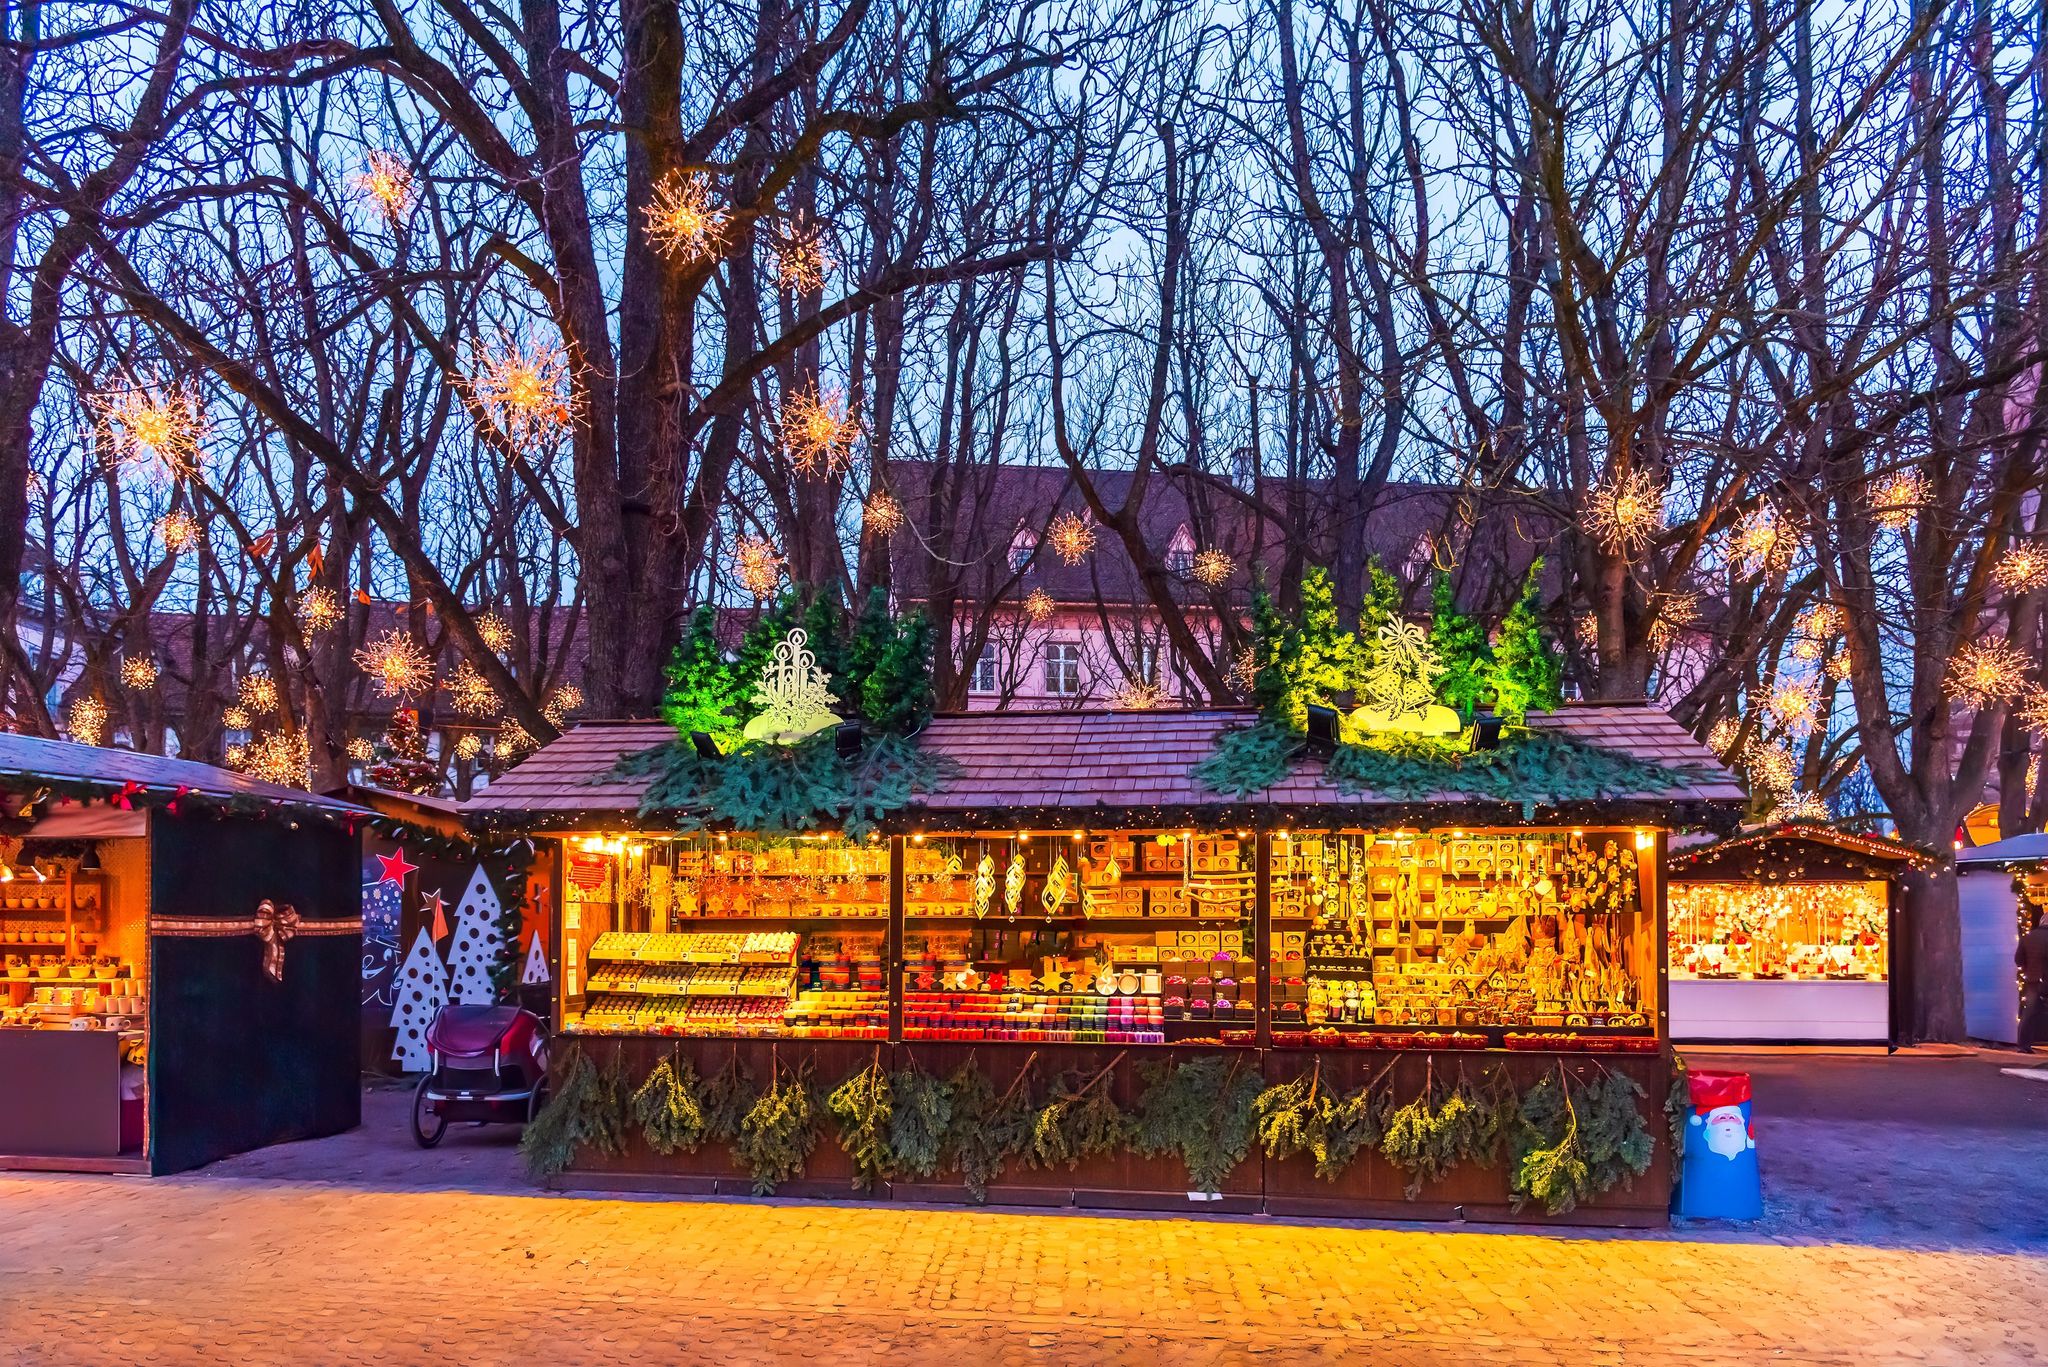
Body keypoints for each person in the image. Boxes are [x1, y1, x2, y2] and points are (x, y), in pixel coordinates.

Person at [2017, 904, 2048, 1053]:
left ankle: (2023, 1044)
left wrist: (2028, 969)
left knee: (2029, 1013)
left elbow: (2018, 959)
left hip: (2032, 981)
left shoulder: (2028, 937)